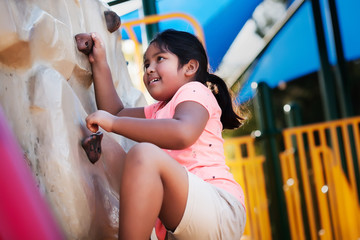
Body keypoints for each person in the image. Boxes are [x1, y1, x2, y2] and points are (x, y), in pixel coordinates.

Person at [85, 29, 246, 240]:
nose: (149, 69)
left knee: (143, 155)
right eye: (146, 64)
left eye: (159, 59)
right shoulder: (158, 110)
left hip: (217, 207)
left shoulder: (195, 91)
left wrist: (114, 123)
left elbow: (182, 133)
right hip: (182, 223)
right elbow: (114, 112)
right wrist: (99, 62)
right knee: (141, 157)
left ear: (190, 67)